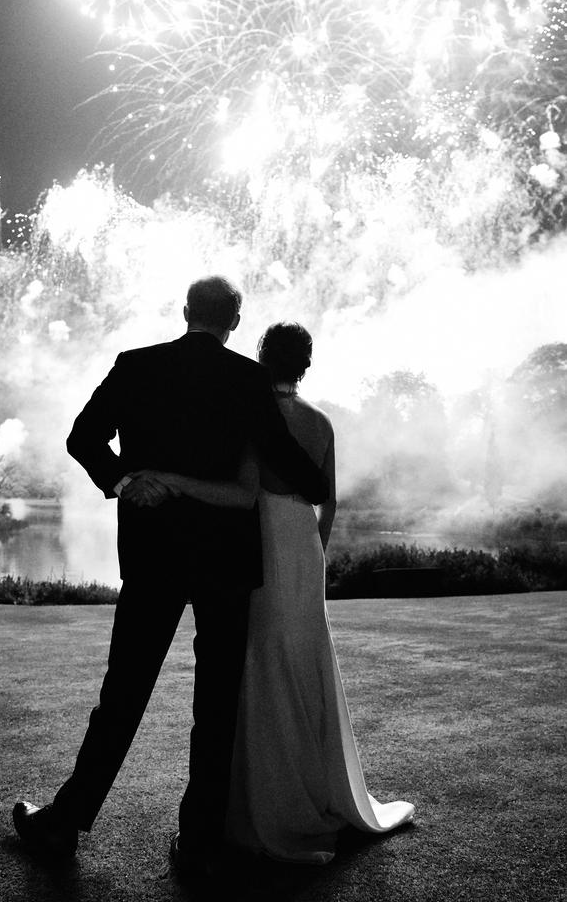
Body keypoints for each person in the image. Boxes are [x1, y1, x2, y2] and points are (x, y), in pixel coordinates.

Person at [12, 277, 328, 875]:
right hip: (227, 563)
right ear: (235, 321)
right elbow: (284, 458)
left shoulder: (135, 366)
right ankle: (201, 841)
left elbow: (83, 438)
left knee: (122, 696)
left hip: (154, 555)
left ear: (185, 312)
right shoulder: (246, 380)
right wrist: (314, 483)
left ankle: (64, 823)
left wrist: (127, 480)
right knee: (215, 706)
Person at [139, 322, 415, 864]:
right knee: (302, 662)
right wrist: (316, 556)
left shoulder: (250, 413)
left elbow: (242, 490)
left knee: (257, 667)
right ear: (305, 365)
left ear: (262, 357)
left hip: (256, 540)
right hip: (302, 544)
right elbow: (329, 502)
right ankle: (315, 788)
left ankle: (258, 805)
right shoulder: (321, 422)